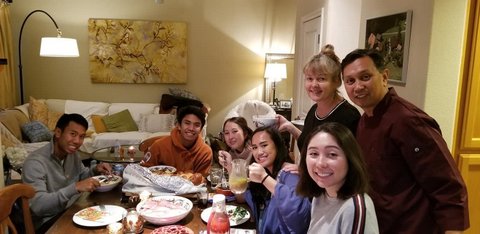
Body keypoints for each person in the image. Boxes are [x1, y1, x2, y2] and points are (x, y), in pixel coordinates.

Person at [341, 49, 469, 233]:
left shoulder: (407, 120)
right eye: (350, 81)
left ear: (384, 76)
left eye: (365, 77)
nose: (358, 86)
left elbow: (447, 185)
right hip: (380, 224)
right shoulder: (365, 120)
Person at [22, 113, 112, 231]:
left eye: (81, 136)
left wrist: (95, 170)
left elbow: (82, 175)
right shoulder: (35, 162)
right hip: (49, 222)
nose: (77, 141)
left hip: (73, 210)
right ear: (58, 132)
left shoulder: (71, 154)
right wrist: (75, 188)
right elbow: (38, 206)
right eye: (73, 134)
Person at [297, 122, 378, 233]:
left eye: (332, 154)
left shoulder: (354, 208)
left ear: (350, 159)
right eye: (314, 154)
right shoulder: (320, 195)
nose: (320, 163)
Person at [277, 44, 360, 154]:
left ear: (336, 81)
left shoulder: (349, 116)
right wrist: (290, 127)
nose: (314, 84)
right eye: (309, 78)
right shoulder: (314, 110)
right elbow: (308, 145)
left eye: (321, 79)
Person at [239, 126, 311, 234]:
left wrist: (264, 178)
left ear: (277, 145)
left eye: (264, 145)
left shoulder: (289, 173)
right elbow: (243, 197)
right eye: (254, 147)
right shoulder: (265, 172)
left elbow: (298, 212)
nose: (259, 152)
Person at [141, 105, 213, 176]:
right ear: (178, 125)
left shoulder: (205, 152)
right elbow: (144, 171)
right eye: (187, 123)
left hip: (192, 187)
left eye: (197, 125)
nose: (191, 128)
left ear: (200, 129)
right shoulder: (159, 145)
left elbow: (202, 180)